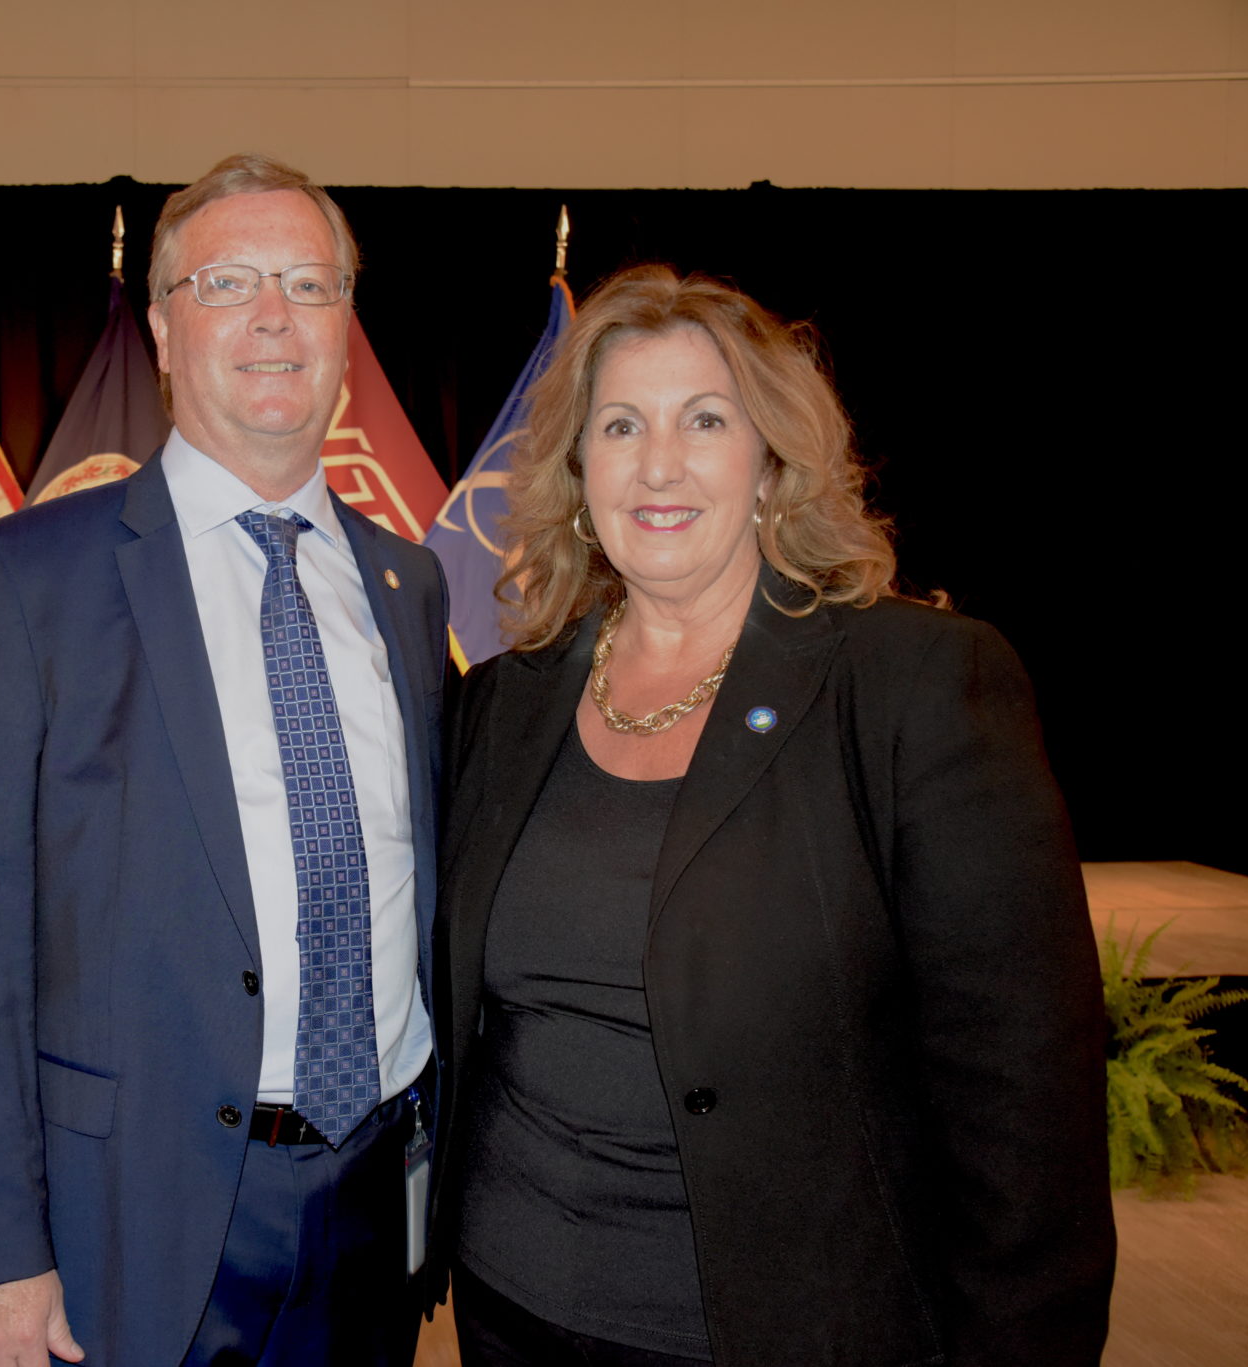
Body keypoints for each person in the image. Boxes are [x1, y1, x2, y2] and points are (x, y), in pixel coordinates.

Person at [434, 264, 1115, 1366]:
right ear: (575, 468)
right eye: (619, 425)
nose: (658, 462)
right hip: (512, 1306)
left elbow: (1021, 1095)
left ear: (768, 460)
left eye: (704, 419)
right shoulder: (503, 699)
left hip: (789, 1323)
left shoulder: (911, 683)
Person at [0, 153, 451, 1367]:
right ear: (160, 324)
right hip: (129, 1214)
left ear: (345, 326)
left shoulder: (405, 584)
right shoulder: (21, 580)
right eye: (229, 281)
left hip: (373, 1195)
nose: (273, 316)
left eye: (309, 284)